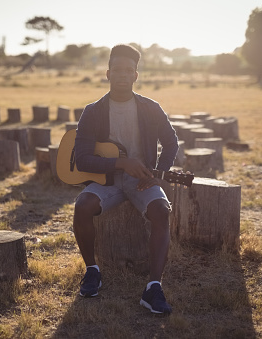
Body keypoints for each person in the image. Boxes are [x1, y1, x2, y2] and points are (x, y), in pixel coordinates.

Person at [73, 44, 179, 315]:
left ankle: (153, 287)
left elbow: (171, 143)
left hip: (141, 181)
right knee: (82, 205)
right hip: (106, 180)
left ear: (135, 75)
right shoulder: (93, 111)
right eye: (117, 69)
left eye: (128, 70)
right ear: (108, 73)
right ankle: (92, 271)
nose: (122, 75)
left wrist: (158, 175)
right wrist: (122, 162)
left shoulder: (150, 108)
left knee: (161, 211)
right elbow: (83, 158)